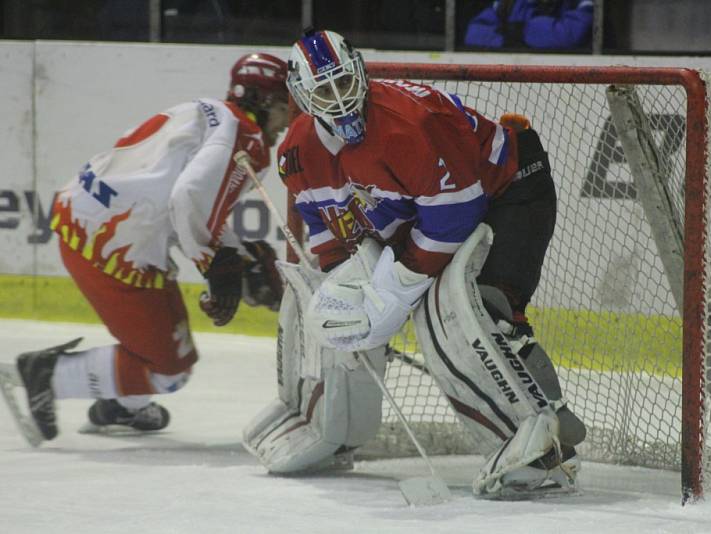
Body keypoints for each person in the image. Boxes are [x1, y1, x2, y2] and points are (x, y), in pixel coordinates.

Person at [245, 29, 585, 499]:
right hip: (437, 209)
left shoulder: (406, 126)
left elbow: (454, 219)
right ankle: (319, 419)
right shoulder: (297, 156)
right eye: (325, 91)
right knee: (351, 311)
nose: (341, 100)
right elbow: (331, 237)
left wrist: (393, 292)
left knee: (476, 307)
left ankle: (541, 437)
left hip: (508, 189)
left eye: (345, 83)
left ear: (360, 72)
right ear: (302, 95)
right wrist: (354, 293)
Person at [13, 52, 288, 442]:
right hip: (109, 250)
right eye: (284, 107)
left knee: (172, 345)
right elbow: (187, 197)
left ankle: (124, 407)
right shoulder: (247, 138)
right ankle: (49, 376)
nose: (289, 121)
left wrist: (236, 254)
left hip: (88, 221)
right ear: (261, 102)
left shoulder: (206, 111)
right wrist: (217, 264)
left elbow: (177, 201)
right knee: (171, 370)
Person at [464, 0, 594, 50]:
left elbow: (569, 36)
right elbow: (474, 34)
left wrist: (523, 31)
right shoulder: (510, 3)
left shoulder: (579, 3)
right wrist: (507, 37)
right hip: (513, 83)